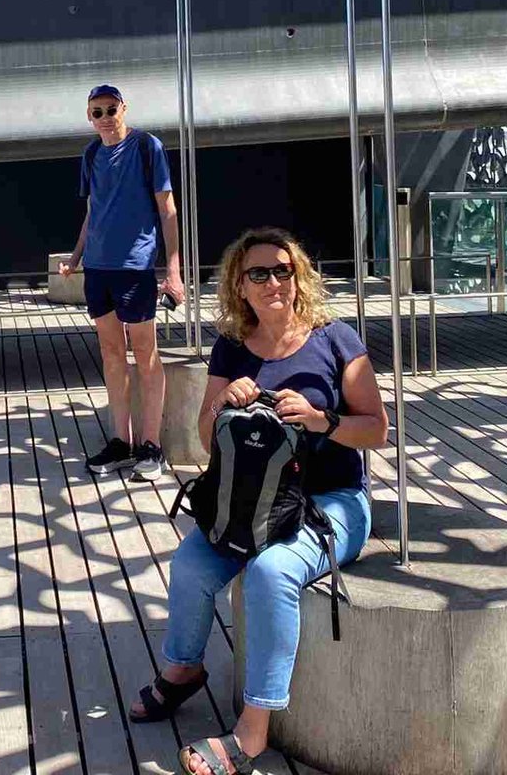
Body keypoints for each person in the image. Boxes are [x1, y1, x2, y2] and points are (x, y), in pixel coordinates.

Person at [130, 227, 388, 775]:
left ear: (298, 277)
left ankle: (253, 729)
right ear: (239, 285)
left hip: (332, 501)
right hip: (252, 501)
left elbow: (377, 430)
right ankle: (183, 669)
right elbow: (206, 438)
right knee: (191, 563)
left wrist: (321, 420)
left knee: (272, 573)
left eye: (282, 270)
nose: (273, 282)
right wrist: (223, 400)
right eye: (258, 273)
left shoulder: (335, 339)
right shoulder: (231, 346)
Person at [58, 83, 184, 481]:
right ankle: (120, 441)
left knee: (145, 352)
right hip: (98, 269)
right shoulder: (91, 153)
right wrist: (75, 258)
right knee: (111, 352)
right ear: (89, 117)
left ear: (123, 109)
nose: (105, 118)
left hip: (136, 267)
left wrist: (174, 270)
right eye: (97, 112)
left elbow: (167, 210)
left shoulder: (147, 147)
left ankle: (151, 445)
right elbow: (93, 210)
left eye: (111, 109)